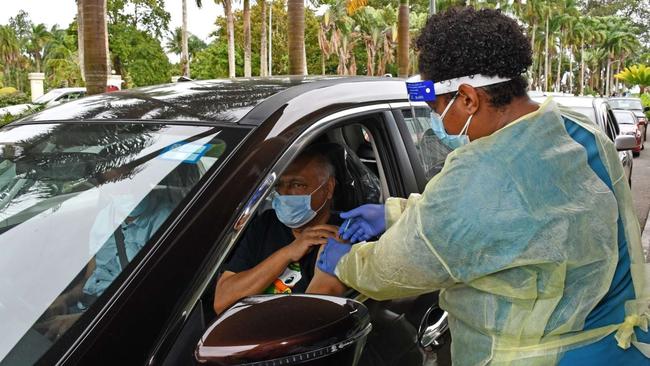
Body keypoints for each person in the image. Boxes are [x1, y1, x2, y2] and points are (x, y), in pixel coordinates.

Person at [317, 8, 650, 365]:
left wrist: (346, 263)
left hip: (535, 357)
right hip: (619, 346)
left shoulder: (485, 169)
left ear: (468, 98)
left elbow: (400, 265)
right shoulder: (579, 131)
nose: (436, 121)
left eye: (435, 108)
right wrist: (393, 212)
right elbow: (520, 217)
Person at [213, 146, 347, 314]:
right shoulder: (266, 224)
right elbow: (222, 301)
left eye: (297, 184)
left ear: (328, 188)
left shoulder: (342, 233)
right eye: (279, 185)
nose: (284, 194)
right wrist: (287, 253)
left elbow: (314, 313)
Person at [36, 191, 173, 340]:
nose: (128, 188)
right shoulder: (104, 217)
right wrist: (67, 298)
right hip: (84, 309)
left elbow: (150, 299)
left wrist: (85, 321)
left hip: (116, 321)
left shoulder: (166, 219)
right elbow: (90, 276)